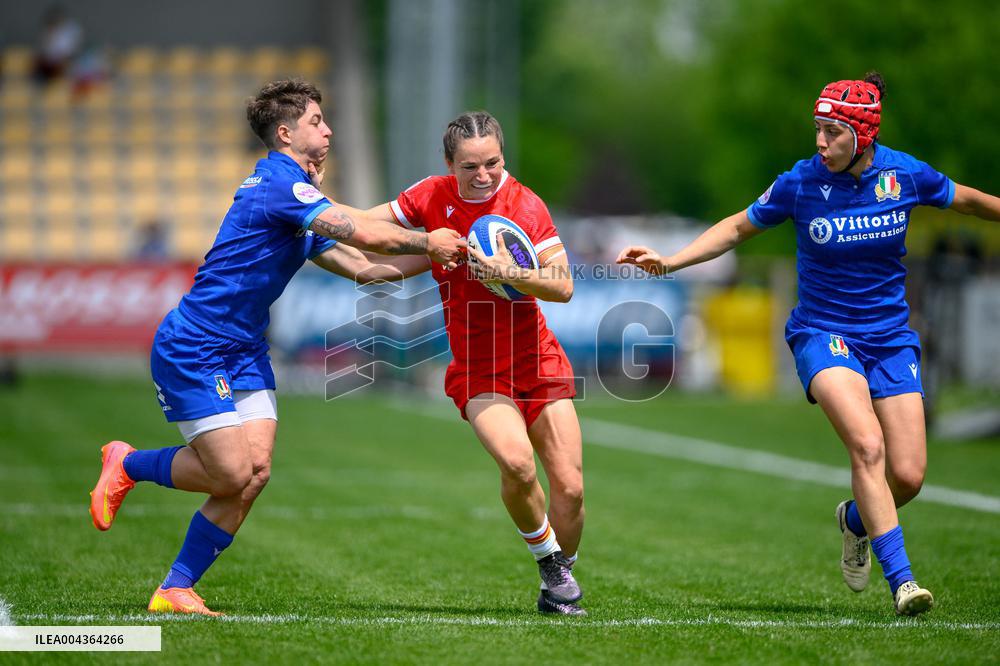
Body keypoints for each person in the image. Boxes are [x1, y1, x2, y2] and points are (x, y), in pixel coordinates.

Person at [616, 72, 1000, 617]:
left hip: (890, 339)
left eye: (832, 132)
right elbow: (736, 228)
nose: (820, 142)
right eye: (817, 129)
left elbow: (965, 199)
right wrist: (672, 260)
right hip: (824, 334)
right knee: (867, 446)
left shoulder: (904, 175)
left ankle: (853, 521)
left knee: (909, 475)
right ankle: (904, 583)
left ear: (862, 136)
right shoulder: (801, 182)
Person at [88, 79, 464, 616]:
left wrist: (452, 256)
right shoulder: (277, 186)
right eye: (317, 120)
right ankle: (128, 464)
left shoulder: (298, 193)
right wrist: (430, 237)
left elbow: (366, 269)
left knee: (255, 471)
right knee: (231, 473)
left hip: (243, 350)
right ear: (286, 133)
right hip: (195, 345)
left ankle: (175, 589)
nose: (328, 129)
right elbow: (366, 234)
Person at [359, 111, 586, 615]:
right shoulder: (431, 196)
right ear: (449, 164)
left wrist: (508, 270)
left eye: (493, 163)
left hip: (538, 359)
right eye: (470, 167)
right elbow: (361, 224)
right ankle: (549, 560)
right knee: (517, 462)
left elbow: (564, 285)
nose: (483, 176)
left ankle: (557, 583)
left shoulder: (525, 203)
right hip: (480, 370)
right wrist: (307, 220)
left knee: (569, 490)